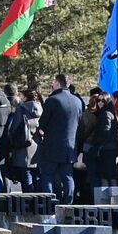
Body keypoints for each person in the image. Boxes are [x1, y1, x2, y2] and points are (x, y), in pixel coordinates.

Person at [36, 74, 83, 203]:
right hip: (70, 146)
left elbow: (43, 123)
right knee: (68, 176)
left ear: (57, 83)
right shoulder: (78, 101)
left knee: (47, 175)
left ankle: (49, 203)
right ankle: (68, 203)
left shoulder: (52, 100)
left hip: (52, 146)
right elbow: (80, 123)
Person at [0, 88, 41, 192]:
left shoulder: (21, 109)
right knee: (36, 175)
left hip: (23, 146)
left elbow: (13, 128)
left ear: (25, 97)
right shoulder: (41, 108)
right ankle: (39, 200)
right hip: (37, 145)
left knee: (26, 174)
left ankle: (29, 200)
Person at [88, 94, 118, 189]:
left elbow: (105, 131)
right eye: (98, 100)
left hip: (106, 149)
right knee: (109, 175)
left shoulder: (105, 113)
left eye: (103, 101)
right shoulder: (110, 112)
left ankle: (108, 200)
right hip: (109, 148)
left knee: (106, 176)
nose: (100, 103)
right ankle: (111, 199)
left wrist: (97, 143)